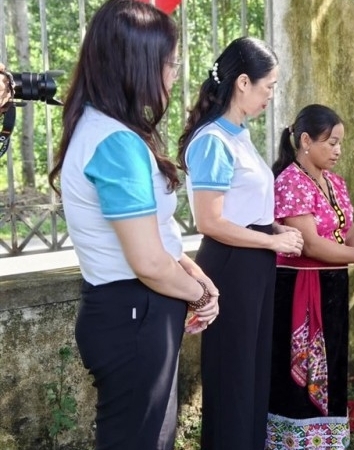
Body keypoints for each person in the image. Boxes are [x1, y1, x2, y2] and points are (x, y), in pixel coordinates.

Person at [47, 1, 220, 449]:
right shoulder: (115, 142)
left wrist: (197, 276)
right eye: (170, 63)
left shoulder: (102, 129)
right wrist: (200, 296)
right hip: (134, 314)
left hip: (133, 312)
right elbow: (147, 261)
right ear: (138, 64)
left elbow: (157, 239)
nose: (174, 74)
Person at [176, 37, 304, 450]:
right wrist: (271, 240)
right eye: (269, 86)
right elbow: (210, 222)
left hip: (254, 261)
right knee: (232, 377)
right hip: (232, 263)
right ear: (243, 82)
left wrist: (276, 235)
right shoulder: (212, 140)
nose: (272, 95)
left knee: (252, 374)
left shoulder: (238, 134)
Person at [265, 104, 354, 449]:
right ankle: (294, 441)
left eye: (341, 143)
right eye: (331, 143)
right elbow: (312, 245)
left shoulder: (334, 183)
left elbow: (347, 235)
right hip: (299, 288)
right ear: (306, 141)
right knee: (301, 371)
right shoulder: (290, 182)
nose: (339, 151)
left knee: (331, 363)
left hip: (332, 287)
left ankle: (325, 439)